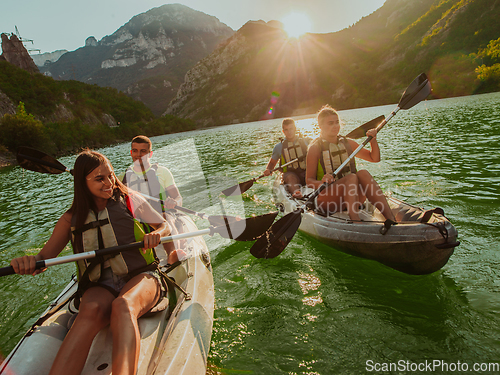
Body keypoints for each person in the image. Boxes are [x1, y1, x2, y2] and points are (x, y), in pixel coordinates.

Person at [10, 150, 177, 375]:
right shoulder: (71, 219)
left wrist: (157, 234)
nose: (109, 183)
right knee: (88, 312)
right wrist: (29, 263)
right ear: (82, 183)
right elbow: (43, 259)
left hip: (141, 275)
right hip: (100, 284)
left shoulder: (129, 199)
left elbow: (163, 225)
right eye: (99, 179)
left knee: (123, 306)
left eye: (110, 175)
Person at [306, 105, 397, 223]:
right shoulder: (315, 148)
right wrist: (322, 182)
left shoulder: (347, 143)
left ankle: (391, 219)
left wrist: (373, 141)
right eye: (330, 123)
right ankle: (356, 221)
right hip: (328, 200)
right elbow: (309, 181)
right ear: (320, 126)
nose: (335, 126)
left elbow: (374, 158)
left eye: (337, 122)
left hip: (352, 198)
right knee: (351, 178)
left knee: (363, 173)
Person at [120, 135, 184, 255]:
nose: (138, 154)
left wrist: (174, 203)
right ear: (131, 153)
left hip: (162, 214)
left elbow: (178, 197)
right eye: (135, 151)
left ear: (150, 154)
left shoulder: (162, 172)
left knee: (165, 218)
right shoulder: (122, 178)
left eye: (143, 151)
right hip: (139, 218)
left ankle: (173, 254)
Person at [263, 118, 309, 197]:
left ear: (295, 129)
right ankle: (297, 194)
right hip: (290, 173)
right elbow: (272, 163)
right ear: (283, 132)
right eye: (286, 130)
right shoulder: (279, 147)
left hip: (306, 171)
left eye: (291, 129)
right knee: (290, 177)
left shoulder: (306, 142)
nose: (289, 132)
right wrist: (268, 170)